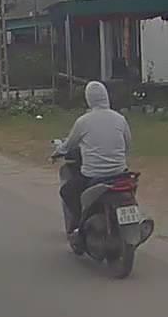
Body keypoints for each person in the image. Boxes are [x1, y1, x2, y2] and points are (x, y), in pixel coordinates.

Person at [55, 80, 131, 233]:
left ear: (88, 98)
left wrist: (57, 150)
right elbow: (128, 145)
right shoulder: (120, 119)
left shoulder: (83, 121)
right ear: (106, 96)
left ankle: (80, 223)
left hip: (93, 175)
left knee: (67, 191)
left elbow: (69, 145)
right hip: (120, 173)